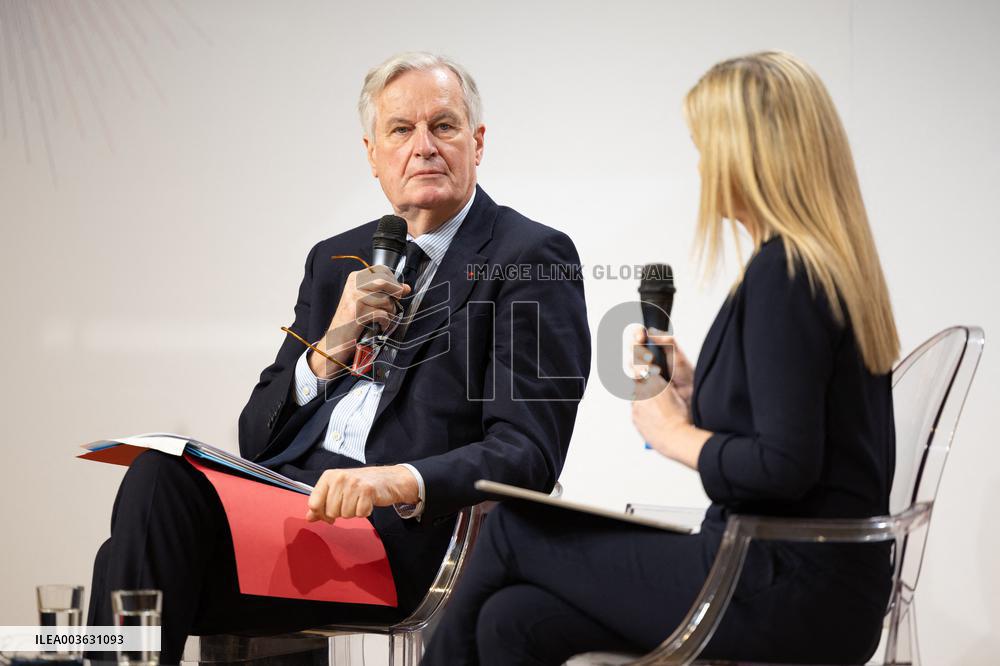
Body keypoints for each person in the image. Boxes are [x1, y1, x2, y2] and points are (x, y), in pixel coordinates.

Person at [86, 52, 590, 664]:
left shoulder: (532, 256)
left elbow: (528, 452)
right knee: (149, 506)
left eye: (444, 126)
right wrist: (328, 349)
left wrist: (391, 481)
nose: (423, 147)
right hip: (285, 509)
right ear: (373, 154)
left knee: (146, 530)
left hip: (398, 538)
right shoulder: (337, 259)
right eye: (401, 130)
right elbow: (256, 437)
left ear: (477, 143)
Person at [422, 50, 900, 665]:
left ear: (749, 156)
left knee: (514, 530)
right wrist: (699, 393)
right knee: (513, 622)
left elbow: (784, 469)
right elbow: (804, 436)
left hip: (786, 584)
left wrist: (674, 433)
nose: (701, 165)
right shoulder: (818, 269)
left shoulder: (786, 275)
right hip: (812, 582)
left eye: (707, 146)